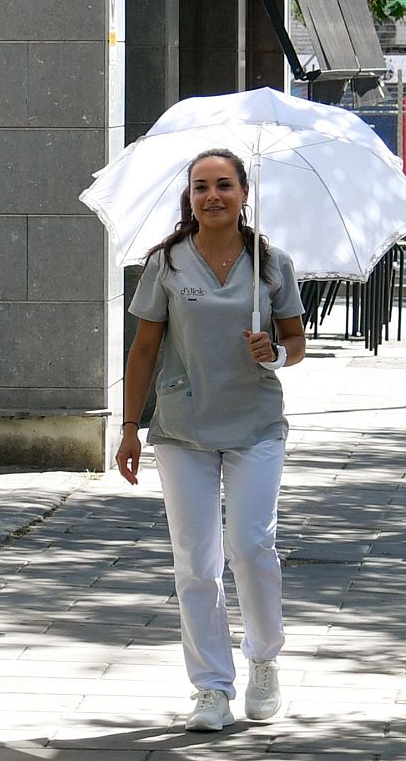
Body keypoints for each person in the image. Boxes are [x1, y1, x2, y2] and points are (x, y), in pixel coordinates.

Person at [116, 148, 307, 732]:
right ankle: (210, 688)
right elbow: (144, 348)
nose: (213, 196)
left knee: (250, 546)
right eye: (202, 187)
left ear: (244, 194)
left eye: (224, 185)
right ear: (190, 198)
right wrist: (129, 426)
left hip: (255, 425)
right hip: (183, 428)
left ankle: (265, 660)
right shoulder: (167, 263)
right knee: (196, 563)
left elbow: (295, 342)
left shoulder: (271, 264)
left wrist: (272, 352)